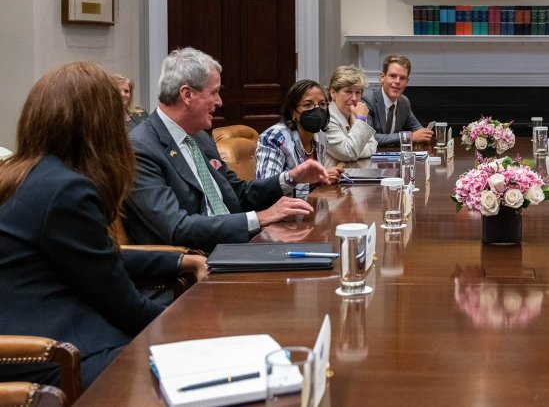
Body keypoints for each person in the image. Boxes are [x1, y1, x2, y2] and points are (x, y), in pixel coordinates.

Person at [0, 62, 205, 389]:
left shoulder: (22, 174)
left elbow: (96, 257)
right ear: (101, 125)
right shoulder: (66, 189)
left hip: (24, 335)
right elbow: (122, 304)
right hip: (52, 352)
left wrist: (179, 259)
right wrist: (199, 328)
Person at [124, 48, 329, 253]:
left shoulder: (199, 137)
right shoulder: (141, 148)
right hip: (200, 261)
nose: (220, 101)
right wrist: (260, 218)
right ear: (187, 94)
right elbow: (177, 227)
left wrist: (290, 178)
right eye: (214, 92)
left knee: (322, 252)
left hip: (234, 248)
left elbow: (238, 194)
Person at [255, 80, 343, 192]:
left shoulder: (320, 137)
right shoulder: (275, 138)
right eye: (308, 105)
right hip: (281, 208)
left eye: (322, 104)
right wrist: (317, 179)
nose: (317, 110)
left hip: (311, 205)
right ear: (293, 112)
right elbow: (266, 189)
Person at [364, 54, 433, 147]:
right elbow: (368, 138)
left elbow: (417, 129)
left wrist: (424, 134)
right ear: (382, 77)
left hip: (396, 158)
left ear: (407, 82)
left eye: (402, 78)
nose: (397, 81)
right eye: (393, 76)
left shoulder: (404, 102)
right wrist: (408, 137)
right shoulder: (368, 100)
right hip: (370, 158)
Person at [323, 65, 377, 163]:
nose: (354, 98)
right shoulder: (326, 118)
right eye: (348, 92)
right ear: (333, 93)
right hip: (332, 177)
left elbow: (373, 146)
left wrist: (355, 150)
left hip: (352, 172)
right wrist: (361, 119)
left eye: (358, 92)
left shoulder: (355, 115)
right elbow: (348, 153)